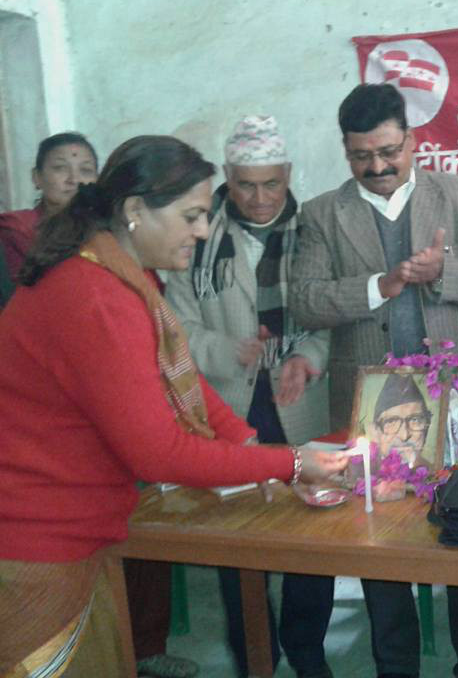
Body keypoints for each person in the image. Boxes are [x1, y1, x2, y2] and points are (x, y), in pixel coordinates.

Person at [0, 135, 348, 678]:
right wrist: (292, 462)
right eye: (191, 216)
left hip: (69, 533)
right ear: (136, 210)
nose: (203, 231)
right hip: (36, 540)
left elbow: (179, 374)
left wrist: (252, 447)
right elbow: (159, 454)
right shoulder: (95, 294)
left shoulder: (117, 274)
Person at [290, 83, 458, 678]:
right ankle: (396, 666)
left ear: (411, 141)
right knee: (380, 548)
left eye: (389, 151)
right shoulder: (321, 214)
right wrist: (375, 288)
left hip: (454, 402)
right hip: (370, 409)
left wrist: (444, 272)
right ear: (346, 151)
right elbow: (305, 300)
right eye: (362, 156)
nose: (378, 167)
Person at [165, 116, 335, 678]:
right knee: (238, 540)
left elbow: (327, 315)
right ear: (227, 178)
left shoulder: (313, 231)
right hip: (227, 404)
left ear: (288, 174)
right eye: (245, 185)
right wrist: (226, 350)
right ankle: (254, 656)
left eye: (271, 184)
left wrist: (306, 357)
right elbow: (176, 329)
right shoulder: (197, 233)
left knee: (312, 536)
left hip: (298, 401)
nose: (260, 199)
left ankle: (307, 652)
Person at [0, 132, 98, 282]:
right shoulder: (17, 228)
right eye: (60, 168)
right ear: (37, 177)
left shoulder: (107, 227)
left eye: (85, 170)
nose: (74, 179)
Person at [369, 373, 433, 465]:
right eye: (391, 421)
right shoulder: (363, 471)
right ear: (374, 431)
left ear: (427, 425)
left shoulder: (435, 471)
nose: (404, 436)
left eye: (415, 420)